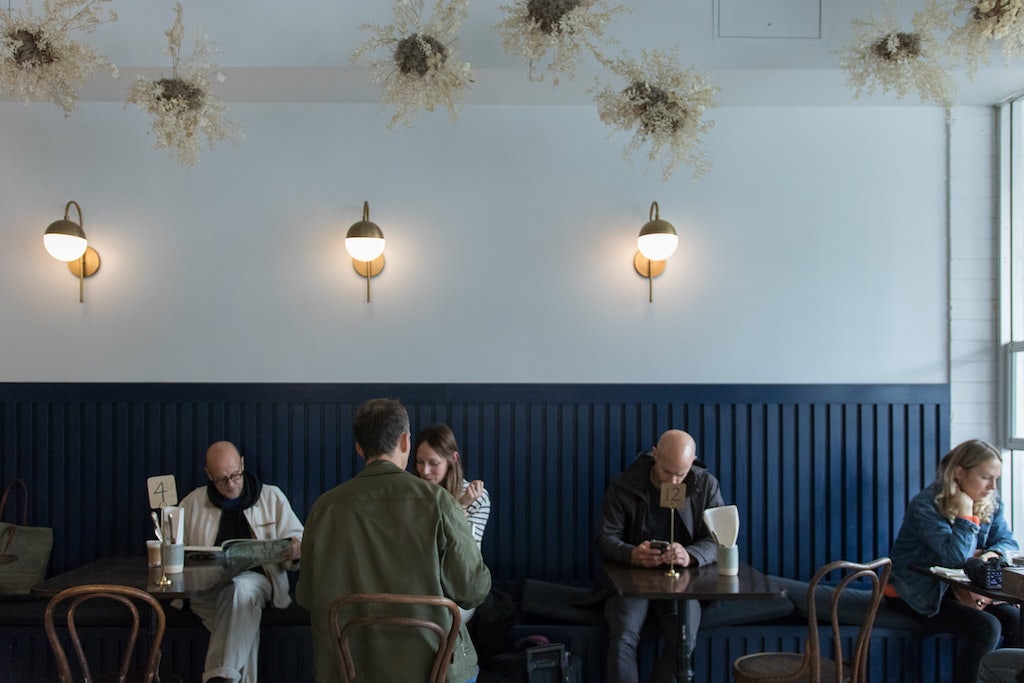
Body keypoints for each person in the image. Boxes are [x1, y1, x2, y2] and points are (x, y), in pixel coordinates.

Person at [297, 398, 491, 683]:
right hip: (431, 670)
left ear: (360, 448)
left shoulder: (323, 508)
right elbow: (473, 590)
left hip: (348, 671)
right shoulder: (439, 502)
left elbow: (306, 596)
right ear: (405, 441)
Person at [887, 439, 1020, 683]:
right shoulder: (925, 505)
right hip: (918, 594)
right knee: (987, 627)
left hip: (962, 590)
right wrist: (966, 514)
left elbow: (1009, 544)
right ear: (959, 473)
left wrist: (992, 555)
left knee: (1017, 620)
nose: (992, 486)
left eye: (996, 479)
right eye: (985, 478)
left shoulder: (992, 501)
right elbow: (956, 558)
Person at [597, 428, 725, 683]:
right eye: (667, 472)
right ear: (655, 455)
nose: (674, 482)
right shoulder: (625, 484)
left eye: (681, 474)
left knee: (683, 639)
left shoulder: (705, 484)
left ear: (693, 461)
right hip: (631, 581)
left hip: (683, 583)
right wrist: (631, 554)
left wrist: (689, 555)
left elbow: (718, 538)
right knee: (623, 635)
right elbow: (604, 538)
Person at [179, 440, 304, 683]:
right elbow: (176, 552)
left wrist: (295, 548)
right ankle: (225, 677)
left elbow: (300, 540)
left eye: (235, 475)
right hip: (207, 593)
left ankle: (219, 677)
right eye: (221, 479)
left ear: (243, 464)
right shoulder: (193, 503)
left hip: (258, 585)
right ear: (208, 475)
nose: (230, 483)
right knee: (242, 626)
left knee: (241, 588)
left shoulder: (271, 497)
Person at [413, 423, 490, 547]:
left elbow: (467, 551)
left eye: (433, 463)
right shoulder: (411, 494)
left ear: (453, 458)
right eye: (420, 462)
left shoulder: (476, 497)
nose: (425, 471)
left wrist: (462, 506)